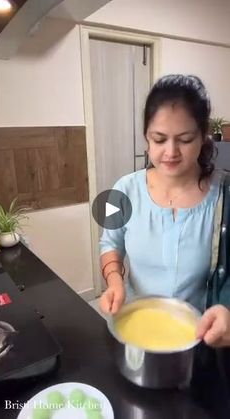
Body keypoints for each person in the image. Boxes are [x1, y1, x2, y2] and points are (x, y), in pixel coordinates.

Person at [99, 74, 230, 347]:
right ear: (146, 136)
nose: (170, 152)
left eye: (185, 139)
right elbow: (110, 241)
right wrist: (114, 281)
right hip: (136, 330)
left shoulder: (225, 193)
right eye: (159, 139)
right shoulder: (122, 188)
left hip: (200, 336)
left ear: (203, 136)